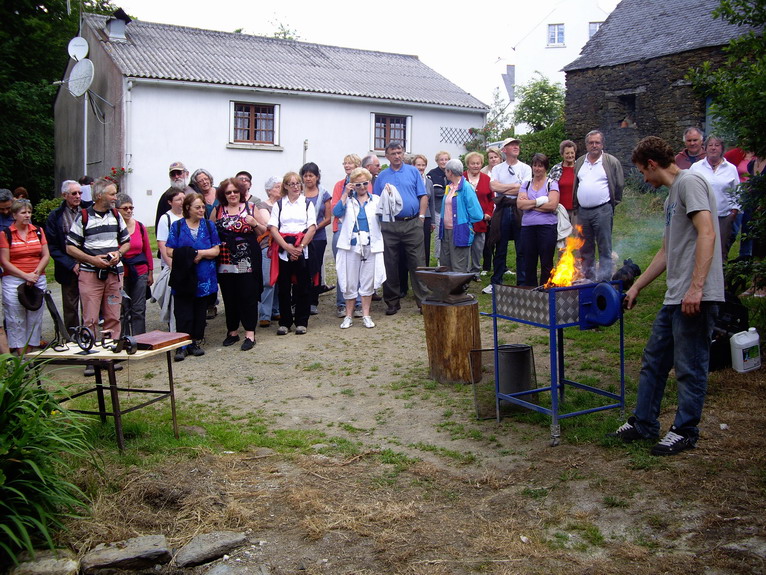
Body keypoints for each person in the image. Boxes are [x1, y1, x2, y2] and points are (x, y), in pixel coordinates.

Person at [611, 135, 724, 456]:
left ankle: (685, 429)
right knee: (654, 361)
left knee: (689, 365)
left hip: (695, 295)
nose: (644, 180)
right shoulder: (671, 196)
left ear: (652, 164)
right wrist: (636, 286)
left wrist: (697, 287)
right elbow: (665, 250)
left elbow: (707, 232)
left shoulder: (690, 183)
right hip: (676, 295)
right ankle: (644, 422)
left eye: (643, 172)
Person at [66, 177, 130, 341]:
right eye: (112, 194)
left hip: (114, 273)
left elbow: (126, 242)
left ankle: (110, 355)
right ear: (100, 196)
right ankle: (91, 357)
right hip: (90, 275)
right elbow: (70, 246)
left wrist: (119, 253)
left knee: (113, 317)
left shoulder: (116, 215)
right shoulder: (84, 216)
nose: (116, 197)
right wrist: (92, 260)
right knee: (90, 319)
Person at [373, 141, 429, 315]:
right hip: (389, 225)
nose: (397, 156)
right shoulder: (382, 176)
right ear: (387, 156)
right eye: (393, 153)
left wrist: (420, 217)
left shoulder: (413, 172)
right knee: (390, 263)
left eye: (399, 152)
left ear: (403, 153)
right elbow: (376, 200)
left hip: (412, 223)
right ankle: (392, 301)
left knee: (418, 263)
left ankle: (424, 301)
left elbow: (423, 196)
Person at [211, 177, 267, 351]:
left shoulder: (250, 208)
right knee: (229, 296)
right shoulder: (218, 210)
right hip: (225, 260)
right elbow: (211, 232)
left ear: (241, 192)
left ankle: (250, 333)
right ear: (223, 194)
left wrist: (255, 223)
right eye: (228, 192)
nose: (232, 195)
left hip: (245, 259)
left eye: (235, 191)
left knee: (247, 294)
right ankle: (232, 331)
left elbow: (265, 231)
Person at [165, 193, 221, 360]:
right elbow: (169, 250)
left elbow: (216, 250)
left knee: (199, 312)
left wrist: (200, 253)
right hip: (184, 276)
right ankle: (182, 345)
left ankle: (194, 341)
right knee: (183, 312)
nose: (201, 210)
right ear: (188, 208)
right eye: (198, 207)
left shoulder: (210, 226)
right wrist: (189, 255)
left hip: (203, 278)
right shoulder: (178, 226)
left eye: (203, 207)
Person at [333, 167, 385, 329]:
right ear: (352, 185)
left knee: (367, 281)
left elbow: (390, 213)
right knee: (349, 280)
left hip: (371, 245)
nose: (362, 187)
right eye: (358, 184)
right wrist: (344, 194)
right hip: (351, 246)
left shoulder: (376, 200)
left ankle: (366, 314)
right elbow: (336, 212)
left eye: (364, 183)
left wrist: (390, 194)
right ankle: (348, 315)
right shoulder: (348, 202)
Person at [267, 172, 317, 335]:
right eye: (292, 184)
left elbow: (312, 227)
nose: (296, 186)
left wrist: (300, 247)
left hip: (302, 247)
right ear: (286, 187)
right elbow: (273, 228)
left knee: (303, 286)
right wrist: (287, 248)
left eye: (298, 183)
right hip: (283, 249)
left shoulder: (307, 203)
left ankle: (301, 321)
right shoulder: (279, 205)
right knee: (283, 287)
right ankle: (285, 322)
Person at [573, 129, 624, 281]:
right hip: (583, 212)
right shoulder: (580, 162)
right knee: (585, 248)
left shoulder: (610, 161)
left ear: (602, 144)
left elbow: (619, 185)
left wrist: (611, 204)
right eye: (591, 143)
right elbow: (576, 185)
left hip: (602, 210)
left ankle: (604, 281)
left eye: (597, 142)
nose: (594, 145)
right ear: (586, 145)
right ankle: (589, 279)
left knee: (604, 247)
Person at [0, 199, 49, 354]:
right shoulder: (6, 233)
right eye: (23, 212)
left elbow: (46, 255)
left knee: (35, 317)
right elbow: (4, 261)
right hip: (14, 279)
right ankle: (21, 356)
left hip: (36, 278)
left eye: (29, 212)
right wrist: (24, 275)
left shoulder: (39, 231)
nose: (27, 215)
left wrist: (34, 274)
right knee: (16, 318)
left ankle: (31, 354)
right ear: (14, 215)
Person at [484, 137, 532, 293]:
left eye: (517, 144)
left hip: (519, 208)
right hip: (502, 208)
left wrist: (505, 188)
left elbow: (524, 188)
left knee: (522, 247)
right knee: (500, 246)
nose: (516, 147)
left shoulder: (525, 168)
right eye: (512, 145)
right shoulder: (497, 168)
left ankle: (522, 282)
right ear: (504, 150)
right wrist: (514, 187)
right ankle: (496, 282)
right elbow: (493, 186)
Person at [46, 180, 91, 334]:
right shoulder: (55, 216)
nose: (78, 196)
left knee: (89, 304)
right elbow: (52, 246)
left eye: (80, 193)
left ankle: (89, 335)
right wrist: (71, 264)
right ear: (64, 195)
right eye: (74, 193)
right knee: (70, 307)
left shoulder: (89, 209)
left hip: (89, 264)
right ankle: (73, 338)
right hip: (68, 268)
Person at [690, 136, 740, 260]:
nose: (713, 148)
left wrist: (733, 212)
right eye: (710, 145)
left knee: (721, 249)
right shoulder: (696, 168)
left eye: (717, 145)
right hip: (701, 214)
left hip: (723, 215)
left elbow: (737, 191)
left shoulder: (730, 168)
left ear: (722, 148)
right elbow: (688, 188)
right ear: (705, 148)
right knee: (700, 247)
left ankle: (720, 277)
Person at [517, 154, 560, 286]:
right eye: (535, 165)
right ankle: (531, 291)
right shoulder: (526, 184)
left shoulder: (551, 184)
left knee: (546, 262)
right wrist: (540, 202)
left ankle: (546, 290)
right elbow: (520, 204)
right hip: (528, 228)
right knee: (529, 262)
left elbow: (552, 205)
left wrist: (530, 205)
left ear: (545, 167)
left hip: (547, 227)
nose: (537, 168)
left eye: (540, 166)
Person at [115, 194, 153, 336]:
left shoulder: (140, 226)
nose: (129, 211)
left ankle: (140, 339)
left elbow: (147, 250)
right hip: (120, 272)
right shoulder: (114, 227)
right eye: (125, 208)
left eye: (131, 207)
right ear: (117, 209)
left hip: (140, 271)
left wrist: (150, 271)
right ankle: (123, 340)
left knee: (139, 308)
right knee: (122, 309)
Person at [438, 159, 484, 273]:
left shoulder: (466, 188)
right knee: (446, 264)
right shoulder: (449, 187)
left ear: (450, 172)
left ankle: (460, 290)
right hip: (446, 231)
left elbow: (477, 214)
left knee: (459, 265)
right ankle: (448, 290)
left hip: (460, 230)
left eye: (446, 171)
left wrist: (465, 223)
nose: (445, 173)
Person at [332, 154, 363, 318]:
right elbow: (336, 210)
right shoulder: (339, 185)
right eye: (344, 163)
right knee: (342, 267)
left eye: (350, 163)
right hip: (342, 229)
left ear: (357, 165)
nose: (346, 165)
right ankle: (342, 303)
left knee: (359, 266)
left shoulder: (365, 184)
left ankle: (358, 303)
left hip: (359, 230)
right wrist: (346, 191)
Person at [300, 162, 332, 316]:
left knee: (315, 269)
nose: (308, 178)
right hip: (299, 237)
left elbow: (328, 218)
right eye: (305, 175)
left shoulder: (324, 193)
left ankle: (313, 301)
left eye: (311, 175)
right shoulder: (298, 193)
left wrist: (314, 228)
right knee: (300, 269)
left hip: (318, 238)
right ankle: (298, 301)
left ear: (317, 177)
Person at [463, 152, 493, 279]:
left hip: (481, 219)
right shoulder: (462, 177)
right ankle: (464, 271)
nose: (475, 166)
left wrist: (488, 213)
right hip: (464, 218)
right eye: (472, 163)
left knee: (478, 246)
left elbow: (492, 199)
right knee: (464, 245)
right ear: (468, 165)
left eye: (478, 163)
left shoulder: (487, 179)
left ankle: (475, 271)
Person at [258, 176, 282, 328]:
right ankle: (264, 314)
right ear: (269, 190)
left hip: (282, 245)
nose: (280, 189)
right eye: (277, 186)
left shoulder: (284, 204)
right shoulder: (263, 206)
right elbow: (270, 225)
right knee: (268, 280)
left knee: (280, 280)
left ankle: (276, 309)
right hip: (269, 246)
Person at [412, 154, 437, 265]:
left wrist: (432, 221)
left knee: (426, 244)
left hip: (426, 217)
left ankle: (425, 267)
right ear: (413, 166)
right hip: (413, 217)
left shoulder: (429, 182)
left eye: (423, 165)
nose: (421, 168)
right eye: (418, 165)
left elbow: (431, 202)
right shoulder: (410, 181)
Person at [154, 161, 194, 229]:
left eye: (179, 173)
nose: (176, 176)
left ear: (187, 173)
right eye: (173, 174)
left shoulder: (194, 191)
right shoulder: (166, 196)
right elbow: (159, 223)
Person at [427, 151, 451, 263]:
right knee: (438, 234)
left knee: (450, 233)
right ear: (437, 161)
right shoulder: (432, 174)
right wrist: (449, 190)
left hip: (451, 209)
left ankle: (449, 258)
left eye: (446, 159)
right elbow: (435, 192)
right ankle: (439, 259)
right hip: (437, 208)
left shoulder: (452, 172)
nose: (444, 162)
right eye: (441, 159)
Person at [549, 140, 577, 222]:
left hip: (577, 210)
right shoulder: (555, 168)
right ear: (562, 154)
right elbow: (548, 187)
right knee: (562, 234)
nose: (570, 155)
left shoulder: (580, 167)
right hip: (560, 210)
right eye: (567, 153)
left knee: (577, 234)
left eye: (572, 153)